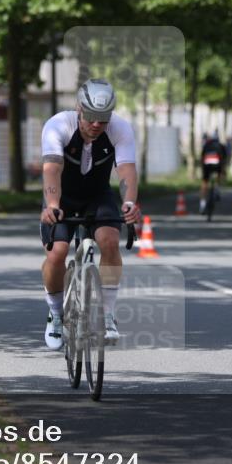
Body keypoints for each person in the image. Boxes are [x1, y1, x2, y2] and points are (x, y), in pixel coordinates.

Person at [40, 79, 141, 350]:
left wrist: (129, 202)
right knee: (57, 252)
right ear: (79, 109)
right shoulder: (58, 125)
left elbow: (126, 171)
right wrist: (51, 204)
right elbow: (52, 169)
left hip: (98, 195)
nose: (97, 124)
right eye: (92, 117)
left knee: (109, 241)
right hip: (62, 196)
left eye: (103, 119)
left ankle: (107, 315)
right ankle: (56, 313)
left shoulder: (120, 129)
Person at [199, 131, 227, 214]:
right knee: (220, 172)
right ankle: (217, 190)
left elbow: (202, 157)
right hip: (217, 163)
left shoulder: (206, 145)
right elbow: (224, 159)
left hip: (207, 164)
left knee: (205, 182)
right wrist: (223, 171)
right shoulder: (221, 145)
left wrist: (203, 170)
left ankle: (202, 204)